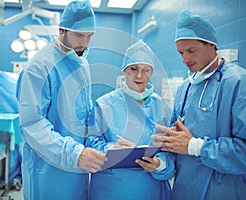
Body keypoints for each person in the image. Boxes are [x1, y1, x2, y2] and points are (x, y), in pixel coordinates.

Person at [16, 1, 107, 199]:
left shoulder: (81, 63)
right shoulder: (39, 67)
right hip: (48, 169)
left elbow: (85, 116)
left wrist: (107, 141)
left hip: (77, 167)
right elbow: (32, 124)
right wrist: (72, 154)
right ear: (62, 30)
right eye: (79, 35)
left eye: (89, 36)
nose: (84, 43)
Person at [151, 10, 246, 200]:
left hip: (224, 191)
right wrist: (159, 162)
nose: (185, 60)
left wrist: (196, 146)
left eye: (191, 51)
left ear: (211, 45)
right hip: (184, 190)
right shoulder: (185, 88)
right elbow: (174, 145)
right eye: (180, 53)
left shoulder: (237, 82)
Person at [86, 40, 174, 200]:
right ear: (124, 71)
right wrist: (112, 148)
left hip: (151, 187)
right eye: (133, 69)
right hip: (112, 188)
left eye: (145, 70)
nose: (139, 75)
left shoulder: (162, 107)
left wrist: (159, 164)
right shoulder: (104, 105)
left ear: (151, 72)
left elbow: (171, 150)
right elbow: (90, 143)